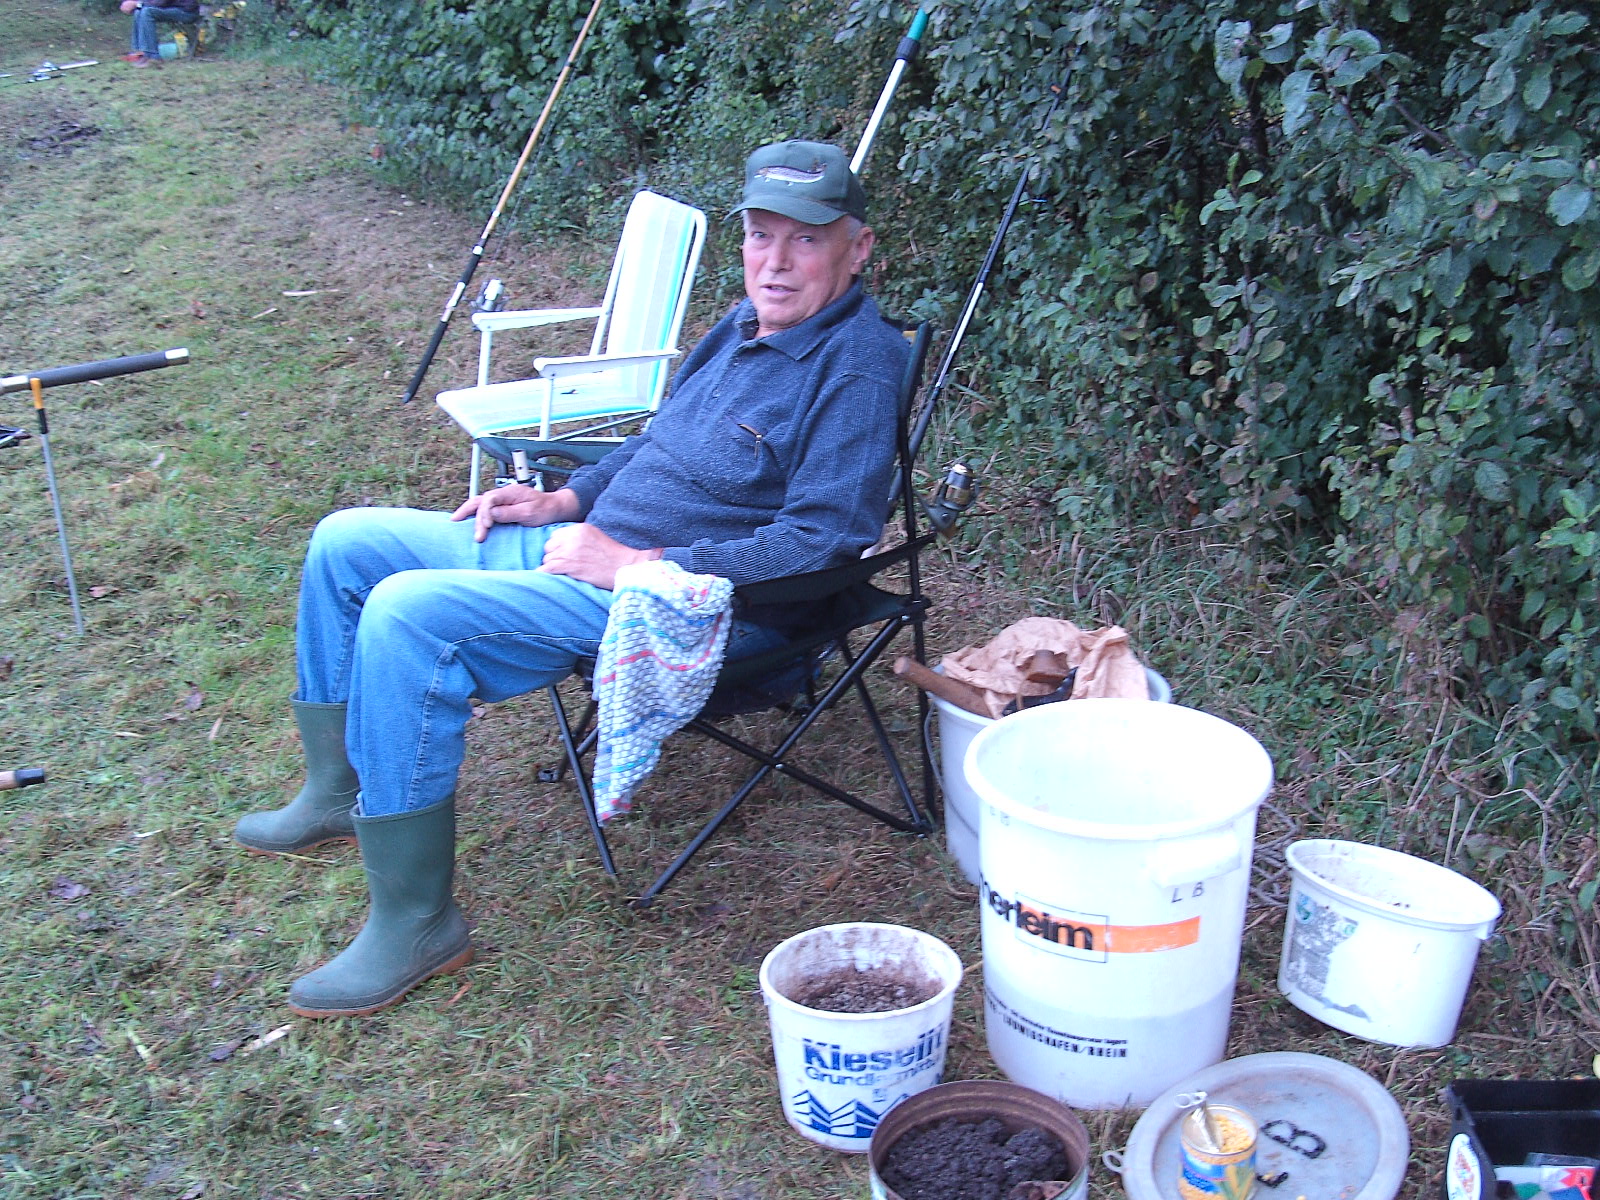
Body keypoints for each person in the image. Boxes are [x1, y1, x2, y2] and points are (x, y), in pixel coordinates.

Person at [233, 140, 909, 1018]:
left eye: (806, 240)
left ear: (858, 249)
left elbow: (822, 542)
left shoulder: (857, 366)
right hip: (585, 545)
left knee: (405, 615)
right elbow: (655, 442)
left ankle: (417, 923)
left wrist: (639, 566)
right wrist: (563, 500)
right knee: (346, 542)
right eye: (760, 235)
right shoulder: (744, 323)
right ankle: (340, 790)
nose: (774, 262)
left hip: (686, 601)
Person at [119, 0, 200, 68]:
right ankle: (139, 53)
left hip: (186, 11)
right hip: (168, 7)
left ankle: (152, 56)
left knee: (147, 12)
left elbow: (161, 2)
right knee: (139, 10)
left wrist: (137, 3)